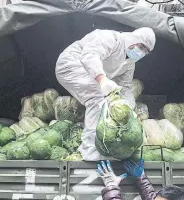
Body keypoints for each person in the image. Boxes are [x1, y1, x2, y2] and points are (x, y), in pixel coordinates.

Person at [55, 28, 156, 161]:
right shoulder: (111, 39)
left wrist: (130, 110)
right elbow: (90, 56)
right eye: (141, 46)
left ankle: (94, 148)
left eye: (146, 51)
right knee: (98, 99)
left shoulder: (130, 63)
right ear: (134, 38)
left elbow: (125, 86)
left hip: (87, 74)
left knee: (104, 101)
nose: (141, 52)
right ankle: (90, 151)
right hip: (71, 65)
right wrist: (102, 79)